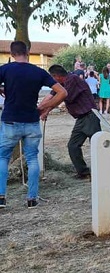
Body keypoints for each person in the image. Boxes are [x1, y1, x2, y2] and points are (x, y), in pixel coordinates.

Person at [0, 41, 67, 208]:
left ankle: (1, 196)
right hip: (31, 120)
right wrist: (46, 107)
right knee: (32, 159)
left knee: (2, 157)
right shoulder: (38, 72)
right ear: (28, 52)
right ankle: (32, 198)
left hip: (10, 120)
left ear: (12, 54)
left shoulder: (5, 69)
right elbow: (62, 92)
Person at [43, 65, 101, 179]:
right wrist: (44, 111)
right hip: (81, 118)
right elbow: (50, 97)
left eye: (52, 77)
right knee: (73, 146)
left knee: (97, 145)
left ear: (57, 76)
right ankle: (83, 172)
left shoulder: (72, 79)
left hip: (90, 115)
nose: (51, 80)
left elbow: (62, 97)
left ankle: (102, 171)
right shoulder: (61, 85)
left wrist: (44, 108)